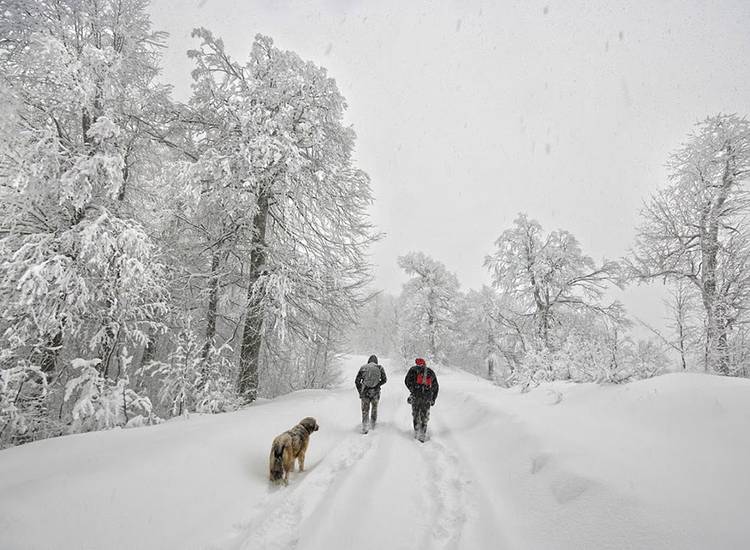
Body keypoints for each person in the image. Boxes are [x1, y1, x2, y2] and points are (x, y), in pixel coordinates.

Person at [404, 357, 439, 442]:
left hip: (416, 397)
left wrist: (413, 389)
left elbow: (406, 381)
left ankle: (416, 432)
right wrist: (433, 398)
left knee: (416, 414)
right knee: (424, 416)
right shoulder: (430, 372)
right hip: (427, 398)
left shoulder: (413, 370)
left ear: (417, 363)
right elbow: (436, 387)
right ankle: (422, 434)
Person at [355, 354, 387, 434]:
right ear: (376, 361)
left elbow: (357, 381)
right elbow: (384, 379)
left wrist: (360, 391)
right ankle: (373, 424)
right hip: (375, 392)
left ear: (368, 361)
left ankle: (365, 427)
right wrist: (377, 384)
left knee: (365, 410)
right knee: (374, 408)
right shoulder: (380, 367)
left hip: (365, 392)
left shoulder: (363, 367)